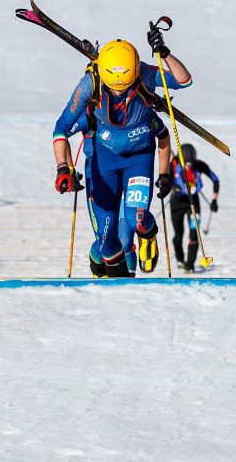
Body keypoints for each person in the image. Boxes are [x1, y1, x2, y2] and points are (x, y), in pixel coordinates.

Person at [52, 29, 192, 278]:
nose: (119, 92)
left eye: (125, 87)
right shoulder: (90, 82)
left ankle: (147, 236)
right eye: (113, 87)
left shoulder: (146, 73)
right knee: (106, 240)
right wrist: (63, 167)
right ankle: (110, 278)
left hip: (139, 159)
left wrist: (164, 52)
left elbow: (183, 81)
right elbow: (61, 128)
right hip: (104, 163)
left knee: (135, 219)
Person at [63, 110, 171, 278]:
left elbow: (163, 135)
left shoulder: (137, 110)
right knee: (104, 242)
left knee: (127, 238)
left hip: (131, 171)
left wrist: (164, 175)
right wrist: (69, 169)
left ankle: (129, 279)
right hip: (100, 179)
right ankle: (100, 276)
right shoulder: (90, 113)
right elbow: (62, 133)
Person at [169, 143, 219, 272]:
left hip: (193, 203)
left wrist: (214, 200)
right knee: (178, 235)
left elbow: (215, 180)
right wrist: (171, 187)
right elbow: (166, 180)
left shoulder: (199, 165)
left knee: (194, 234)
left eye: (191, 163)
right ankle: (180, 259)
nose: (189, 166)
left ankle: (190, 265)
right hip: (177, 202)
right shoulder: (173, 164)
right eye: (187, 163)